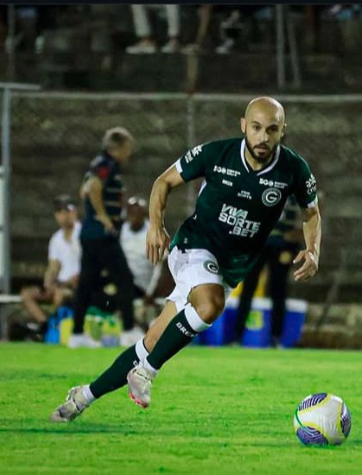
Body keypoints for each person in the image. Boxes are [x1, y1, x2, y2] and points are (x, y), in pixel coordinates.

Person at [50, 97, 321, 423]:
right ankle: (147, 373)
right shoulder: (216, 154)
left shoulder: (293, 169)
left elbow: (311, 212)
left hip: (230, 266)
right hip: (194, 245)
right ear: (243, 126)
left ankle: (82, 398)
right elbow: (163, 182)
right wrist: (155, 226)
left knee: (151, 342)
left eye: (272, 129)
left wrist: (313, 249)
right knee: (210, 306)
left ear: (282, 131)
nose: (263, 137)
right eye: (256, 127)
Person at [68, 127, 141, 349]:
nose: (129, 153)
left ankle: (77, 334)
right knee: (125, 279)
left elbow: (85, 188)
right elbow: (92, 187)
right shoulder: (107, 164)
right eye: (127, 148)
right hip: (102, 236)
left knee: (86, 284)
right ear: (116, 148)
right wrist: (103, 217)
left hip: (89, 235)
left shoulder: (96, 164)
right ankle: (129, 331)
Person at [233, 195, 304, 348]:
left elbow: (305, 219)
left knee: (278, 291)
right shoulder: (262, 187)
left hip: (282, 245)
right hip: (258, 243)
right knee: (248, 289)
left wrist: (292, 248)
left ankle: (276, 338)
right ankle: (237, 336)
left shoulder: (294, 191)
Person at [18, 195, 81, 337]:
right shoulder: (56, 238)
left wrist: (68, 283)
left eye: (67, 212)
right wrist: (48, 284)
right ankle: (45, 324)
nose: (64, 216)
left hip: (77, 285)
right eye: (60, 213)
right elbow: (53, 267)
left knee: (60, 295)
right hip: (60, 284)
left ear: (74, 213)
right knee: (27, 294)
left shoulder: (82, 234)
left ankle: (55, 327)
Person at [120, 196, 163, 317]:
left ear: (144, 214)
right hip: (122, 281)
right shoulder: (122, 231)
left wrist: (150, 292)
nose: (134, 216)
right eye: (131, 212)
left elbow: (159, 267)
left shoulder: (154, 234)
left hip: (141, 286)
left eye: (138, 213)